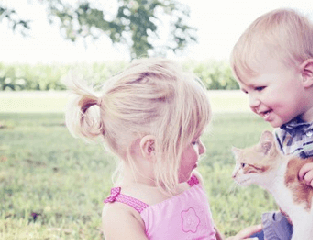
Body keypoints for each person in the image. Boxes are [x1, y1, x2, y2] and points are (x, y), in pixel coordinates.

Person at [64, 58, 262, 240]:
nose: (202, 149)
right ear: (152, 148)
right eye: (193, 141)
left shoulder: (191, 184)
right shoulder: (123, 212)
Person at [230, 8, 313, 240]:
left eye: (259, 88)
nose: (251, 102)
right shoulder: (282, 135)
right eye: (246, 92)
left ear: (307, 74)